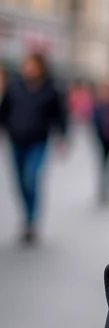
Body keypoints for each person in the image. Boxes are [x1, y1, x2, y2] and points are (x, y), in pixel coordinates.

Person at [0, 52, 67, 245]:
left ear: (40, 66)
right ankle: (26, 214)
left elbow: (60, 115)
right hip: (16, 140)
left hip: (38, 141)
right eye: (25, 64)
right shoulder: (14, 87)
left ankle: (31, 220)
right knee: (20, 181)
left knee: (31, 177)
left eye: (31, 65)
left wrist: (62, 137)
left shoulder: (50, 89)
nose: (28, 68)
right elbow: (4, 112)